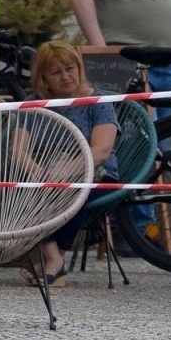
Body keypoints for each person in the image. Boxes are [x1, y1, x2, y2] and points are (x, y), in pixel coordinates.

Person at [20, 41, 119, 288]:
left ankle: (53, 259)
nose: (66, 76)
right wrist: (36, 171)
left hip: (94, 173)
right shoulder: (33, 103)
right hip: (46, 173)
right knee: (25, 187)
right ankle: (55, 259)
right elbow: (17, 149)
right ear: (43, 78)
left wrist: (67, 171)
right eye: (56, 72)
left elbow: (102, 150)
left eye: (70, 68)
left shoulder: (98, 100)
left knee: (67, 188)